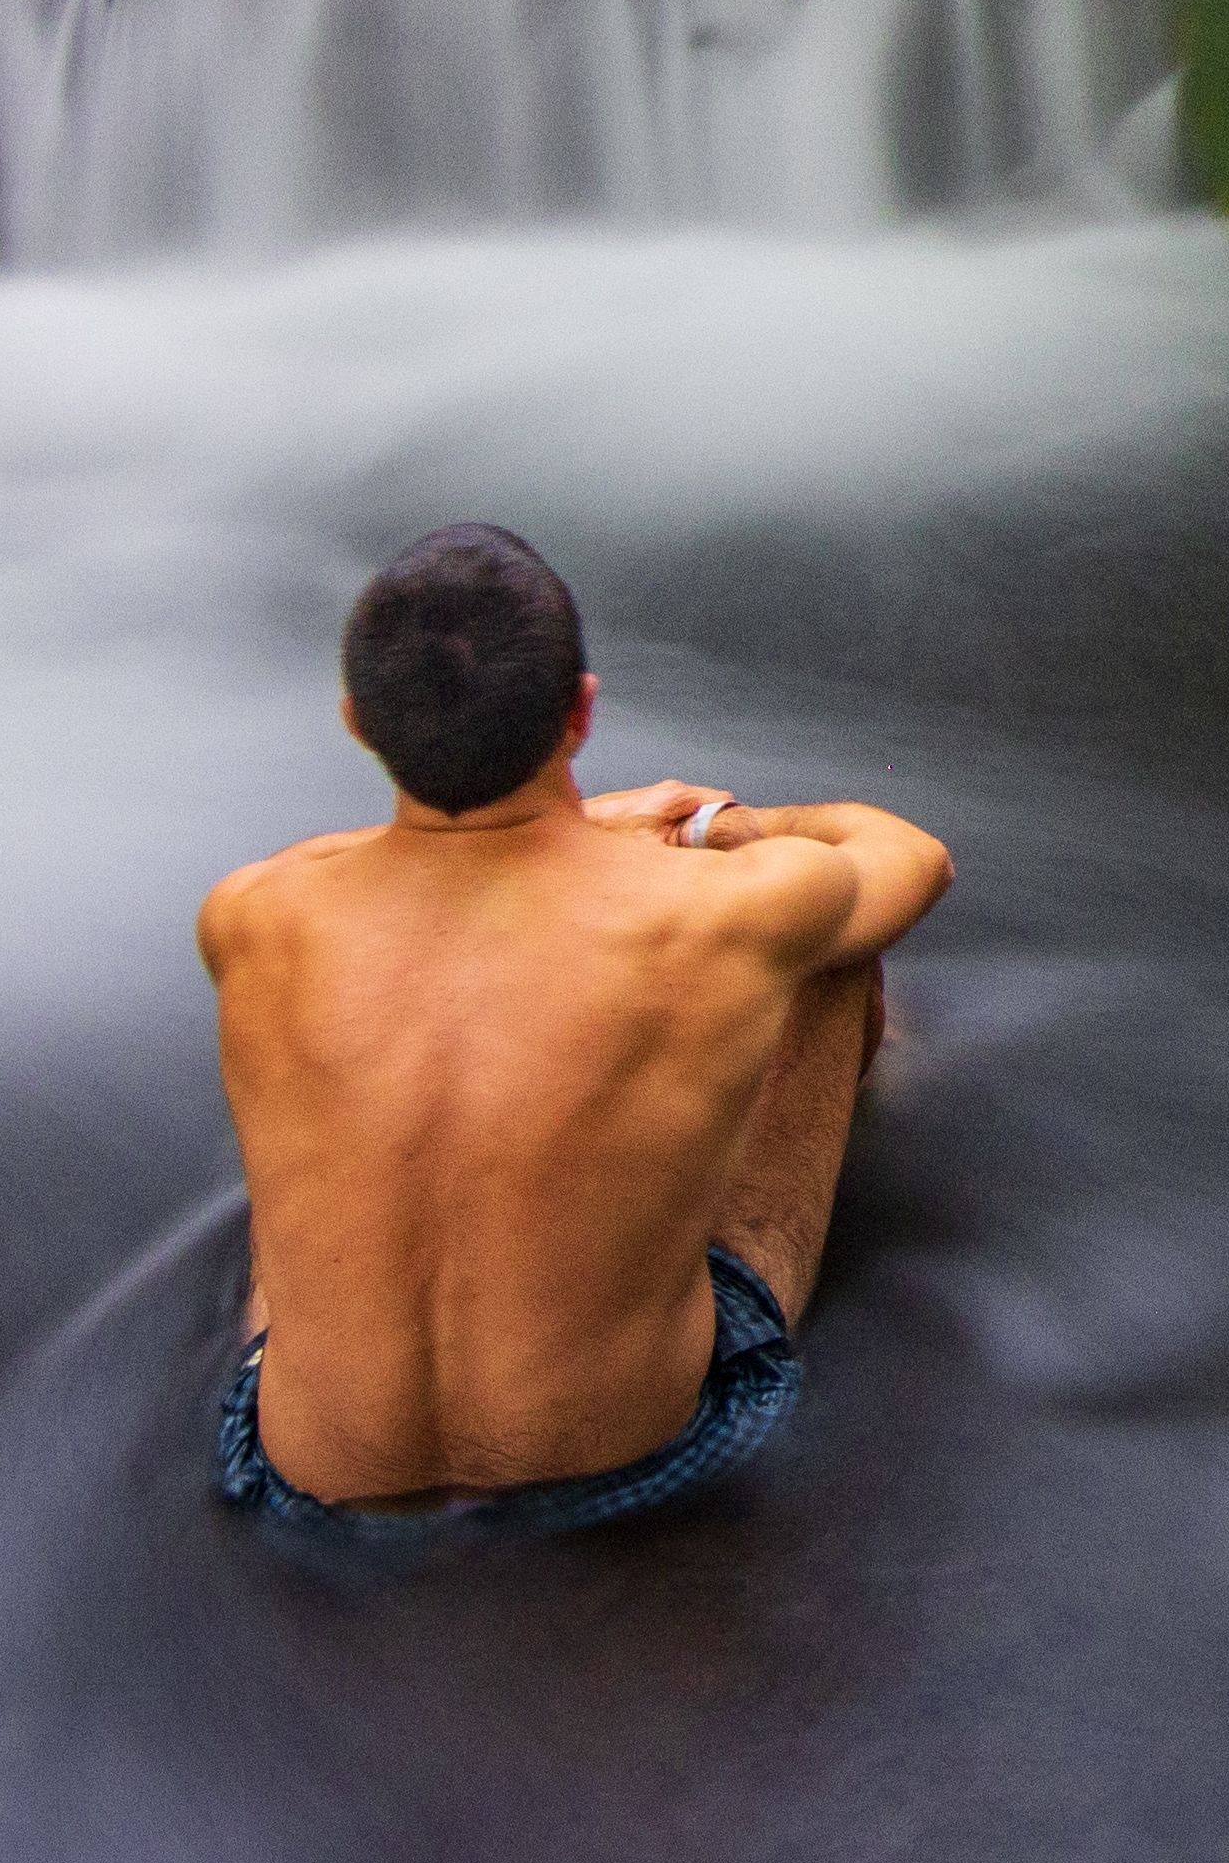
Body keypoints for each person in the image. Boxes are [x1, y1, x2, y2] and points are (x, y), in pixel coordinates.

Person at [198, 526, 950, 1545]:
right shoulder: (723, 911)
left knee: (325, 1069)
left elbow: (366, 860)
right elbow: (911, 854)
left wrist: (587, 829)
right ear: (582, 711)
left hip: (300, 1485)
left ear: (356, 723)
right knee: (827, 953)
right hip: (643, 1464)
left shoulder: (250, 917)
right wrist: (717, 827)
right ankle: (876, 1105)